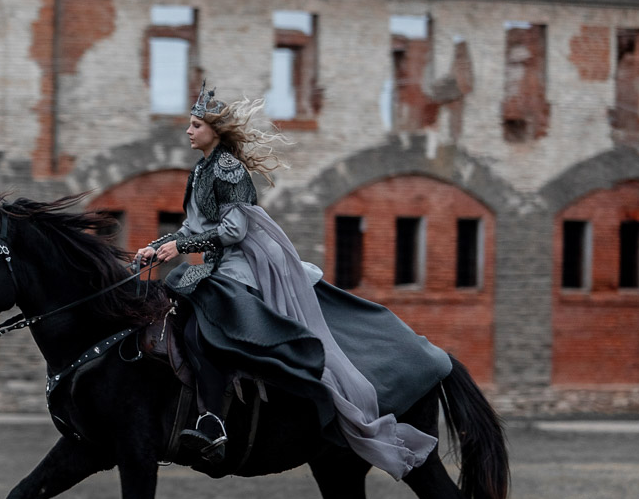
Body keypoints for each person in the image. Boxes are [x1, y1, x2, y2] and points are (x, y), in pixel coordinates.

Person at [135, 83, 439, 478]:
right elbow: (192, 225)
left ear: (214, 131)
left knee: (205, 328)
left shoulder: (228, 169)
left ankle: (215, 421)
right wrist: (157, 246)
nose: (189, 131)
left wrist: (181, 246)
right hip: (211, 262)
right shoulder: (201, 170)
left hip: (240, 262)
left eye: (195, 125)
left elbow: (233, 229)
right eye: (189, 125)